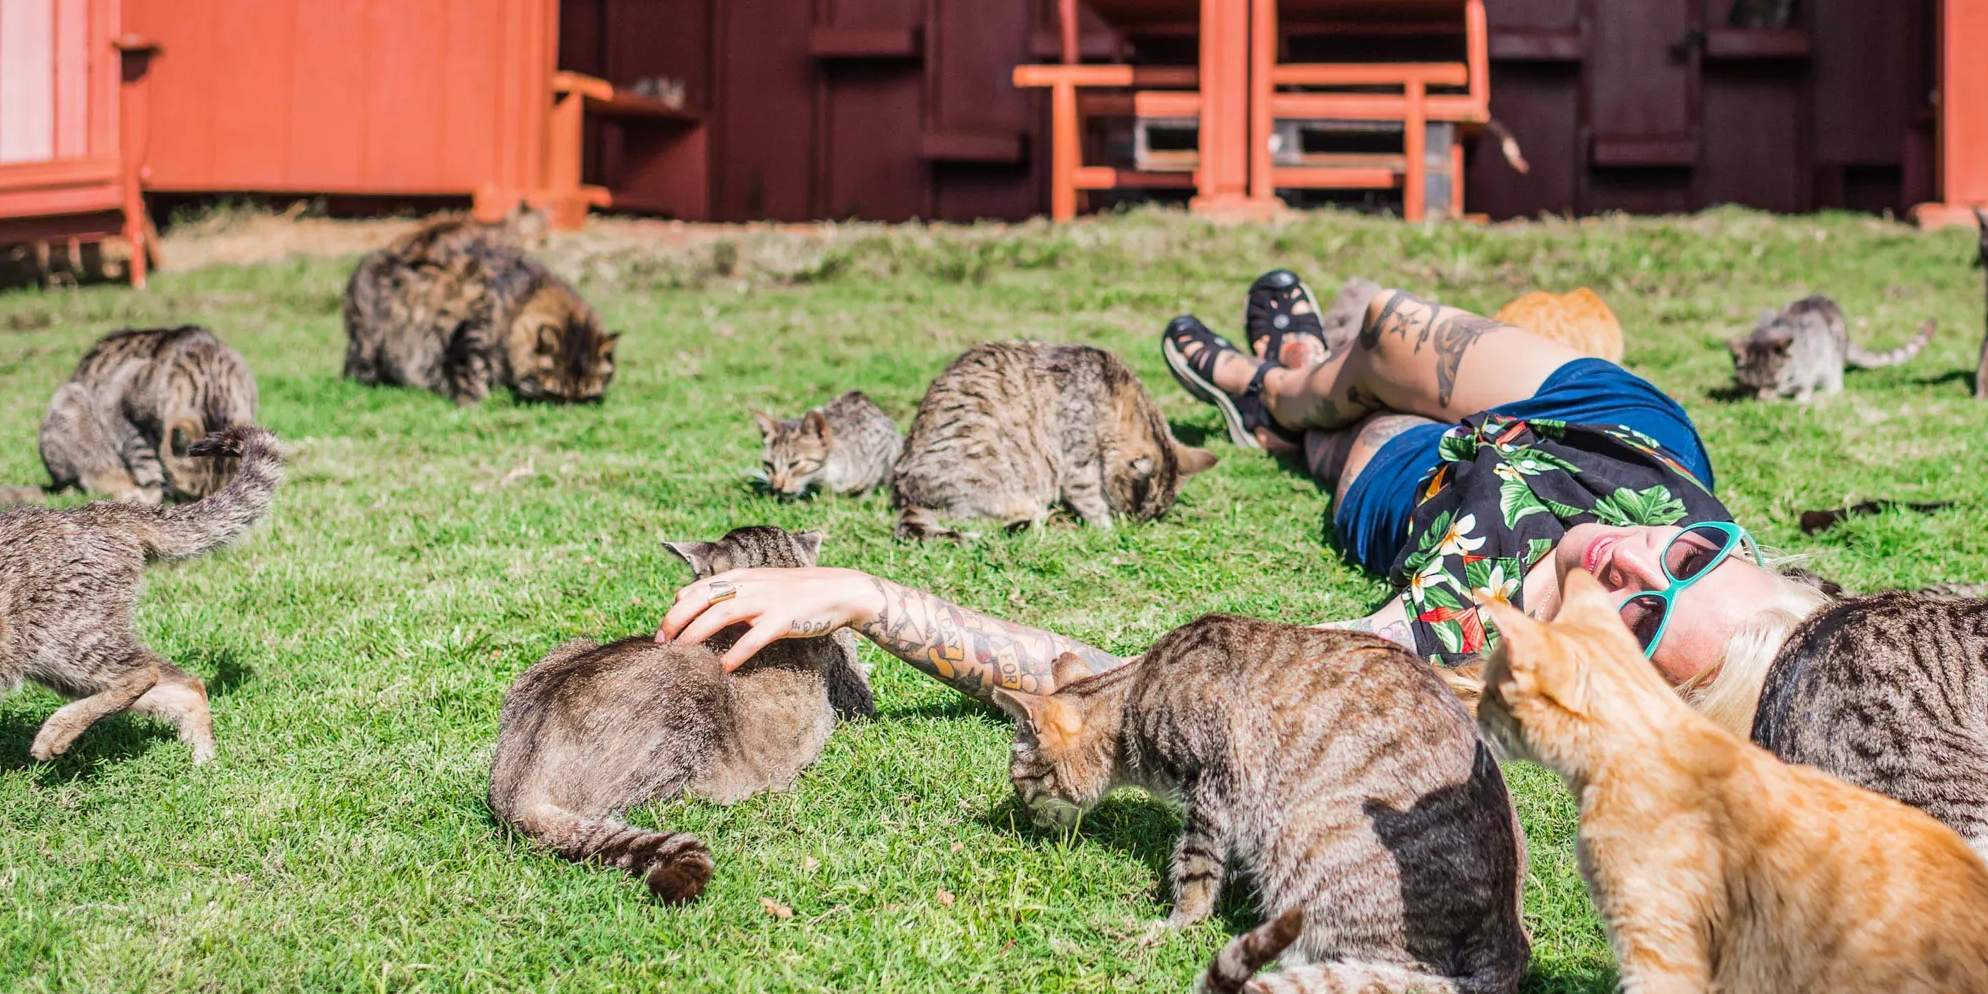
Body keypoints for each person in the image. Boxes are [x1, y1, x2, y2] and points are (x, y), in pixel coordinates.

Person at [658, 273, 1827, 729]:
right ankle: (1277, 380)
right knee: (1378, 343)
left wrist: (865, 593)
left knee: (1361, 443)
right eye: (1690, 555)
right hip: (1558, 413)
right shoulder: (1656, 448)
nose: (1633, 560)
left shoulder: (1459, 643)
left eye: (1643, 618)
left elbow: (1139, 677)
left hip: (1405, 485)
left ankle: (1280, 421)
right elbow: (1409, 339)